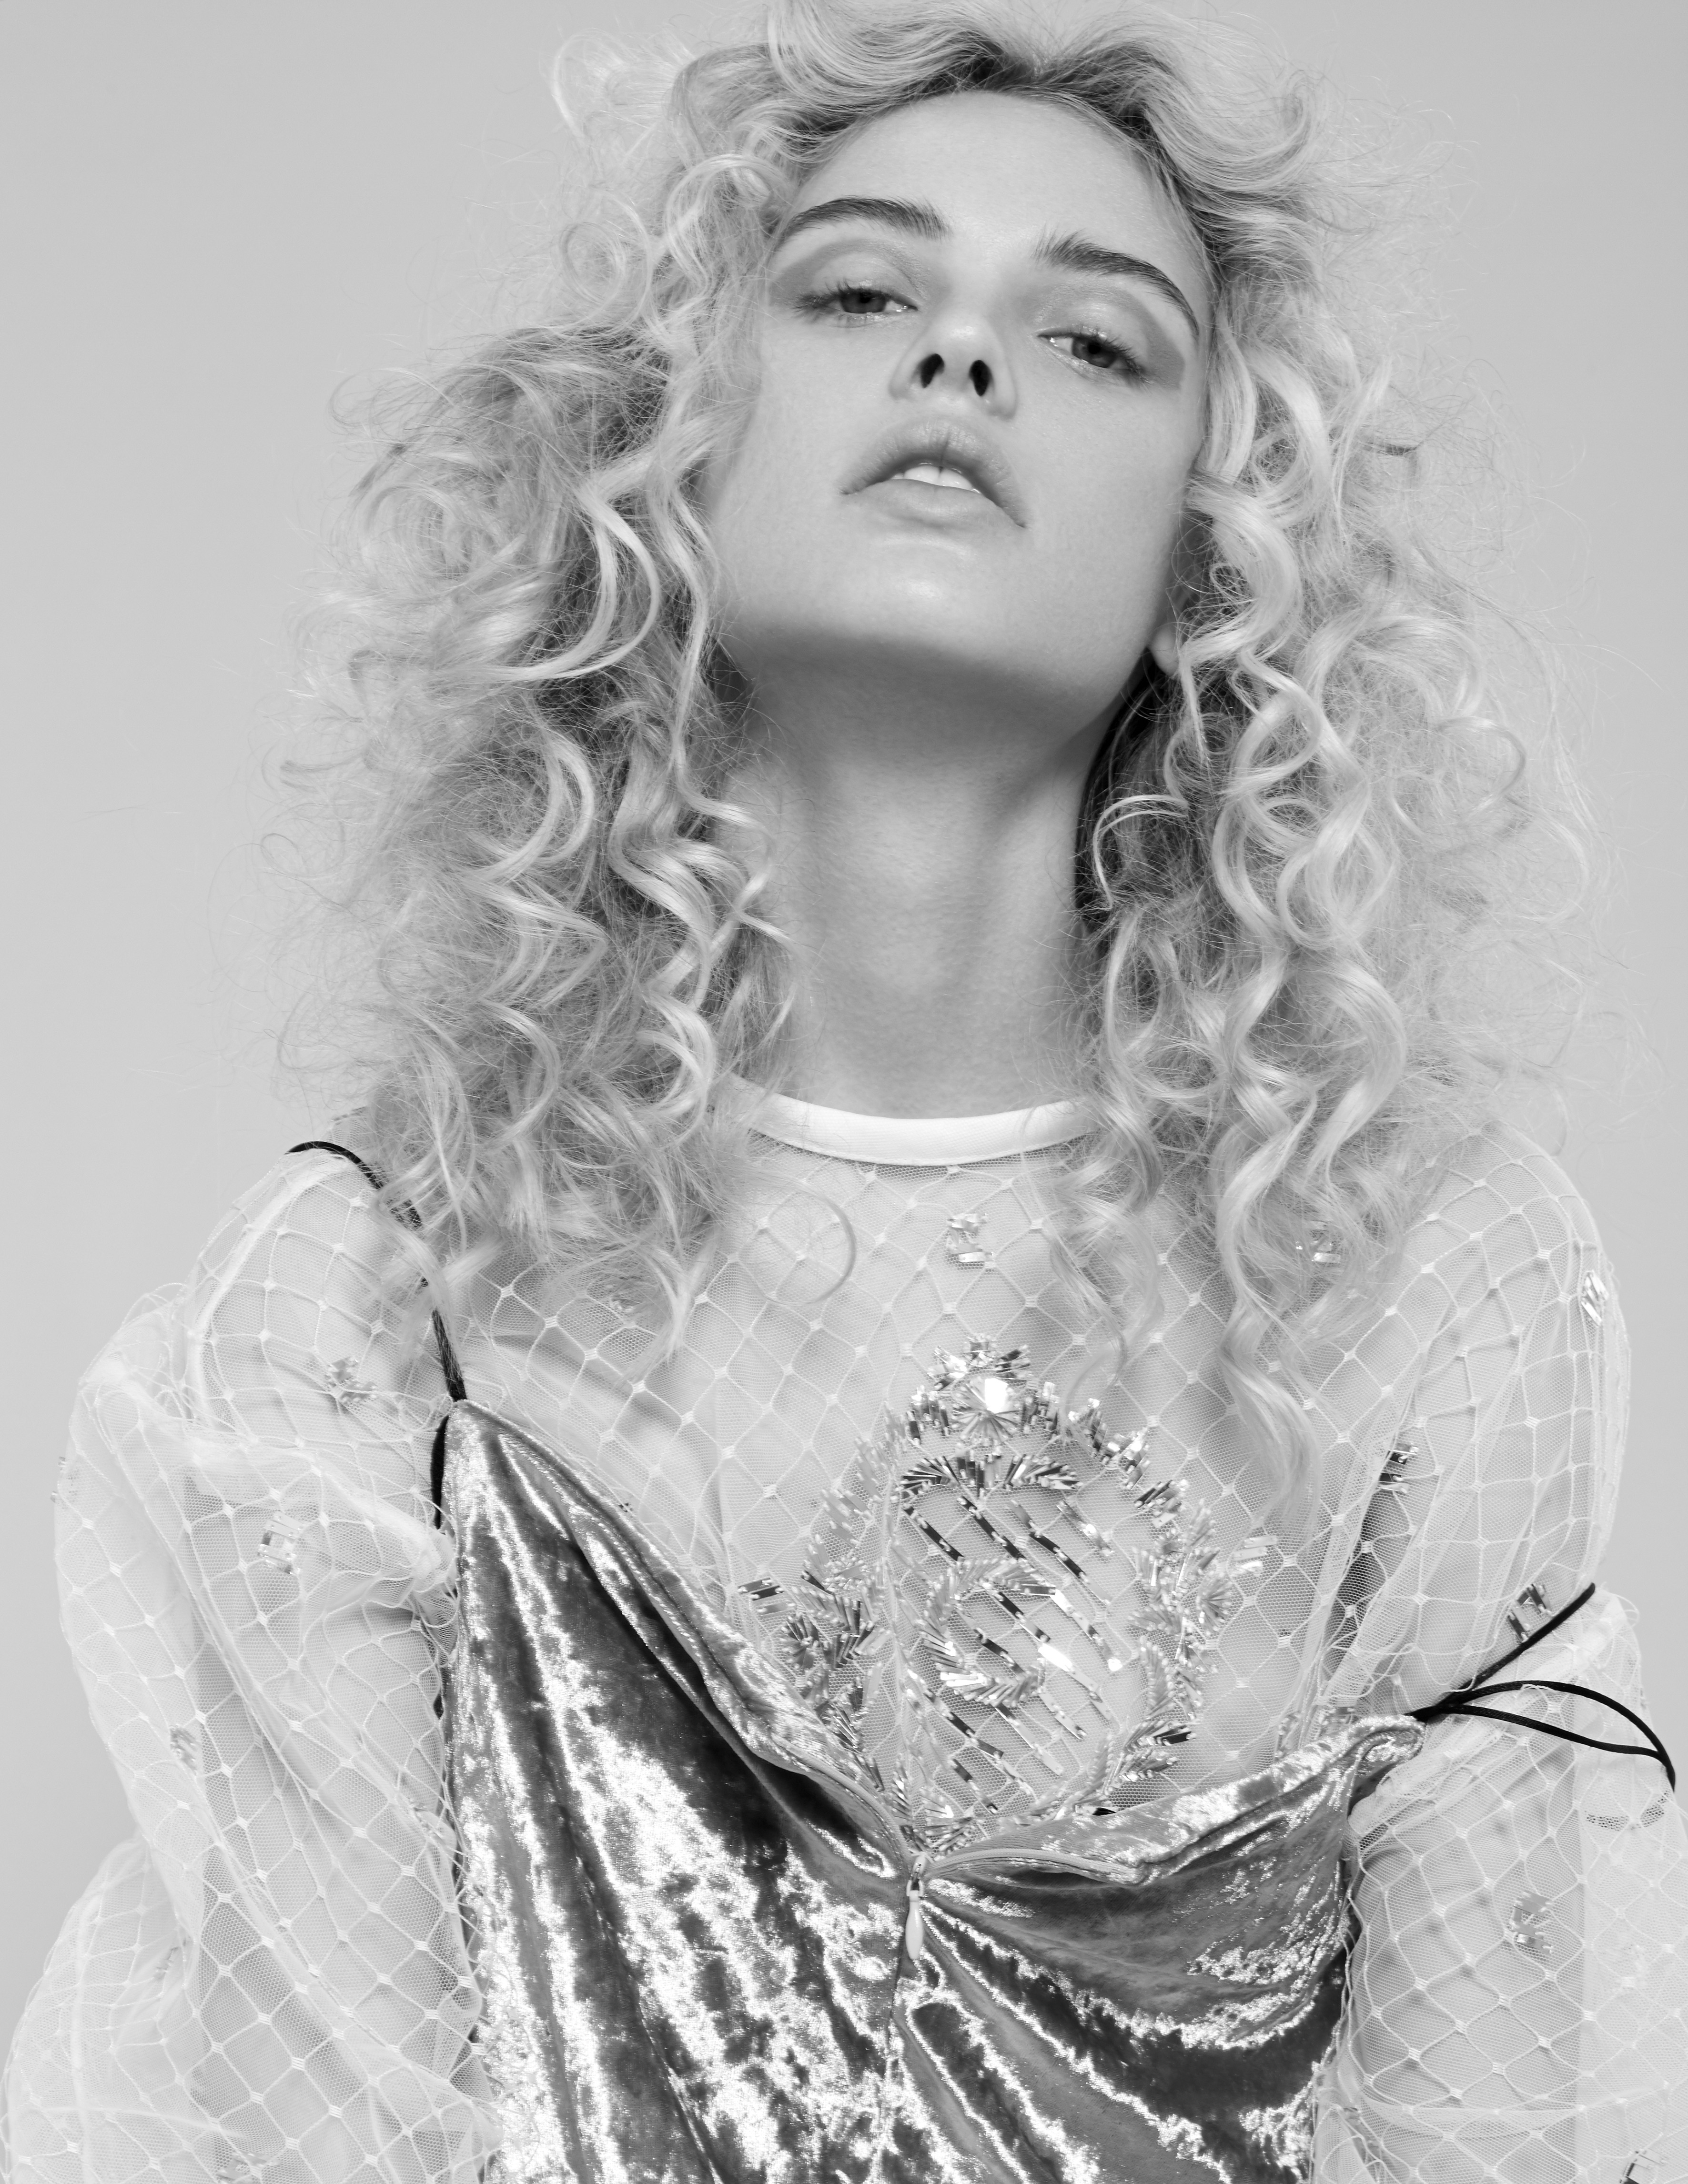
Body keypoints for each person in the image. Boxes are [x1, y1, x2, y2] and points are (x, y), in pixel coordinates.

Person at [6, 3, 1684, 2178]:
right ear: (670, 447)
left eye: (1093, 339)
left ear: (1215, 538)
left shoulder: (1425, 1287)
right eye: (862, 293)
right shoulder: (366, 1312)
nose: (962, 360)